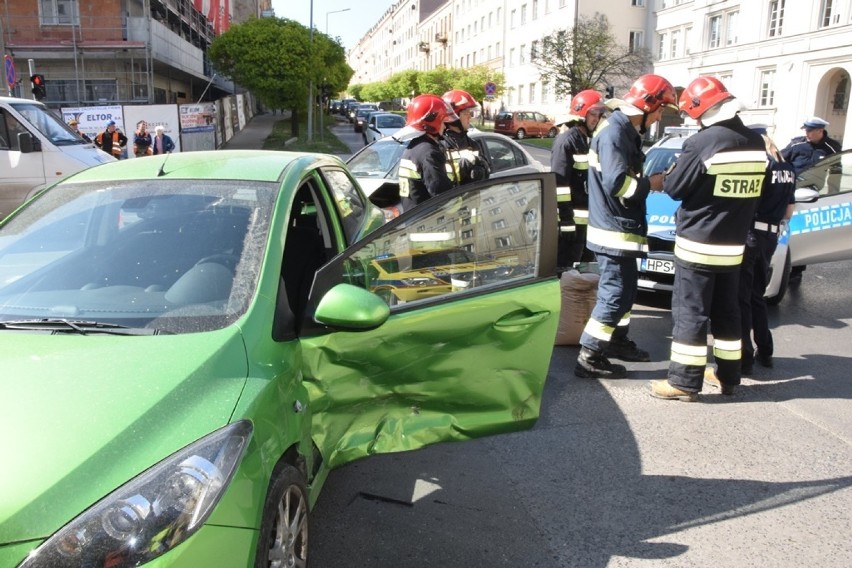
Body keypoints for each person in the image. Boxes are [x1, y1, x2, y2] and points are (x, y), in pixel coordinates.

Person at [649, 76, 767, 401]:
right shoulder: (755, 142)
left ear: (704, 109)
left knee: (691, 313)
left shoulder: (704, 142)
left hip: (699, 244)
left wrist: (671, 174)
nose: (695, 121)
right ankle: (730, 378)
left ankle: (684, 383)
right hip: (733, 246)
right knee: (728, 313)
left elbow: (674, 188)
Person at [574, 74, 676, 379]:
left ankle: (616, 341)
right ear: (647, 106)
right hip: (613, 232)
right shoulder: (616, 132)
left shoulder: (625, 130)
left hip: (622, 230)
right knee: (615, 294)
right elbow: (617, 183)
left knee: (626, 291)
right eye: (659, 110)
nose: (659, 117)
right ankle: (589, 355)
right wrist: (652, 184)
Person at [736, 131, 796, 374]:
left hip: (751, 234)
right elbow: (789, 212)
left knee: (742, 297)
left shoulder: (761, 166)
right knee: (757, 295)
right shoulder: (788, 168)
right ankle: (766, 350)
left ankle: (745, 356)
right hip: (771, 235)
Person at [550, 89, 606, 270]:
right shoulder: (567, 141)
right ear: (581, 113)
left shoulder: (588, 141)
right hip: (570, 226)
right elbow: (559, 186)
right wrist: (566, 221)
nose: (596, 119)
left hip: (587, 225)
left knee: (584, 276)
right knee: (566, 275)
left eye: (599, 114)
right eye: (593, 114)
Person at [780, 117, 840, 282]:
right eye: (805, 130)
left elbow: (836, 173)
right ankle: (784, 264)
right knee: (786, 228)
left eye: (809, 131)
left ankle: (797, 269)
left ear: (820, 131)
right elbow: (780, 161)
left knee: (803, 230)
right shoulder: (797, 144)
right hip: (791, 191)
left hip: (811, 194)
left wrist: (834, 194)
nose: (806, 134)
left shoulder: (831, 147)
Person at [398, 94, 457, 212]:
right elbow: (443, 197)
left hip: (414, 221)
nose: (445, 126)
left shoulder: (413, 147)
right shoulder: (429, 152)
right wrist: (463, 205)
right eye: (443, 121)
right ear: (432, 122)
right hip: (429, 225)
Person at [441, 89, 491, 185]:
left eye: (470, 113)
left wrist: (483, 171)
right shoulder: (441, 146)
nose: (470, 117)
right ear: (453, 117)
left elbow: (487, 174)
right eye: (465, 113)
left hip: (473, 199)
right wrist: (462, 167)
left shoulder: (472, 144)